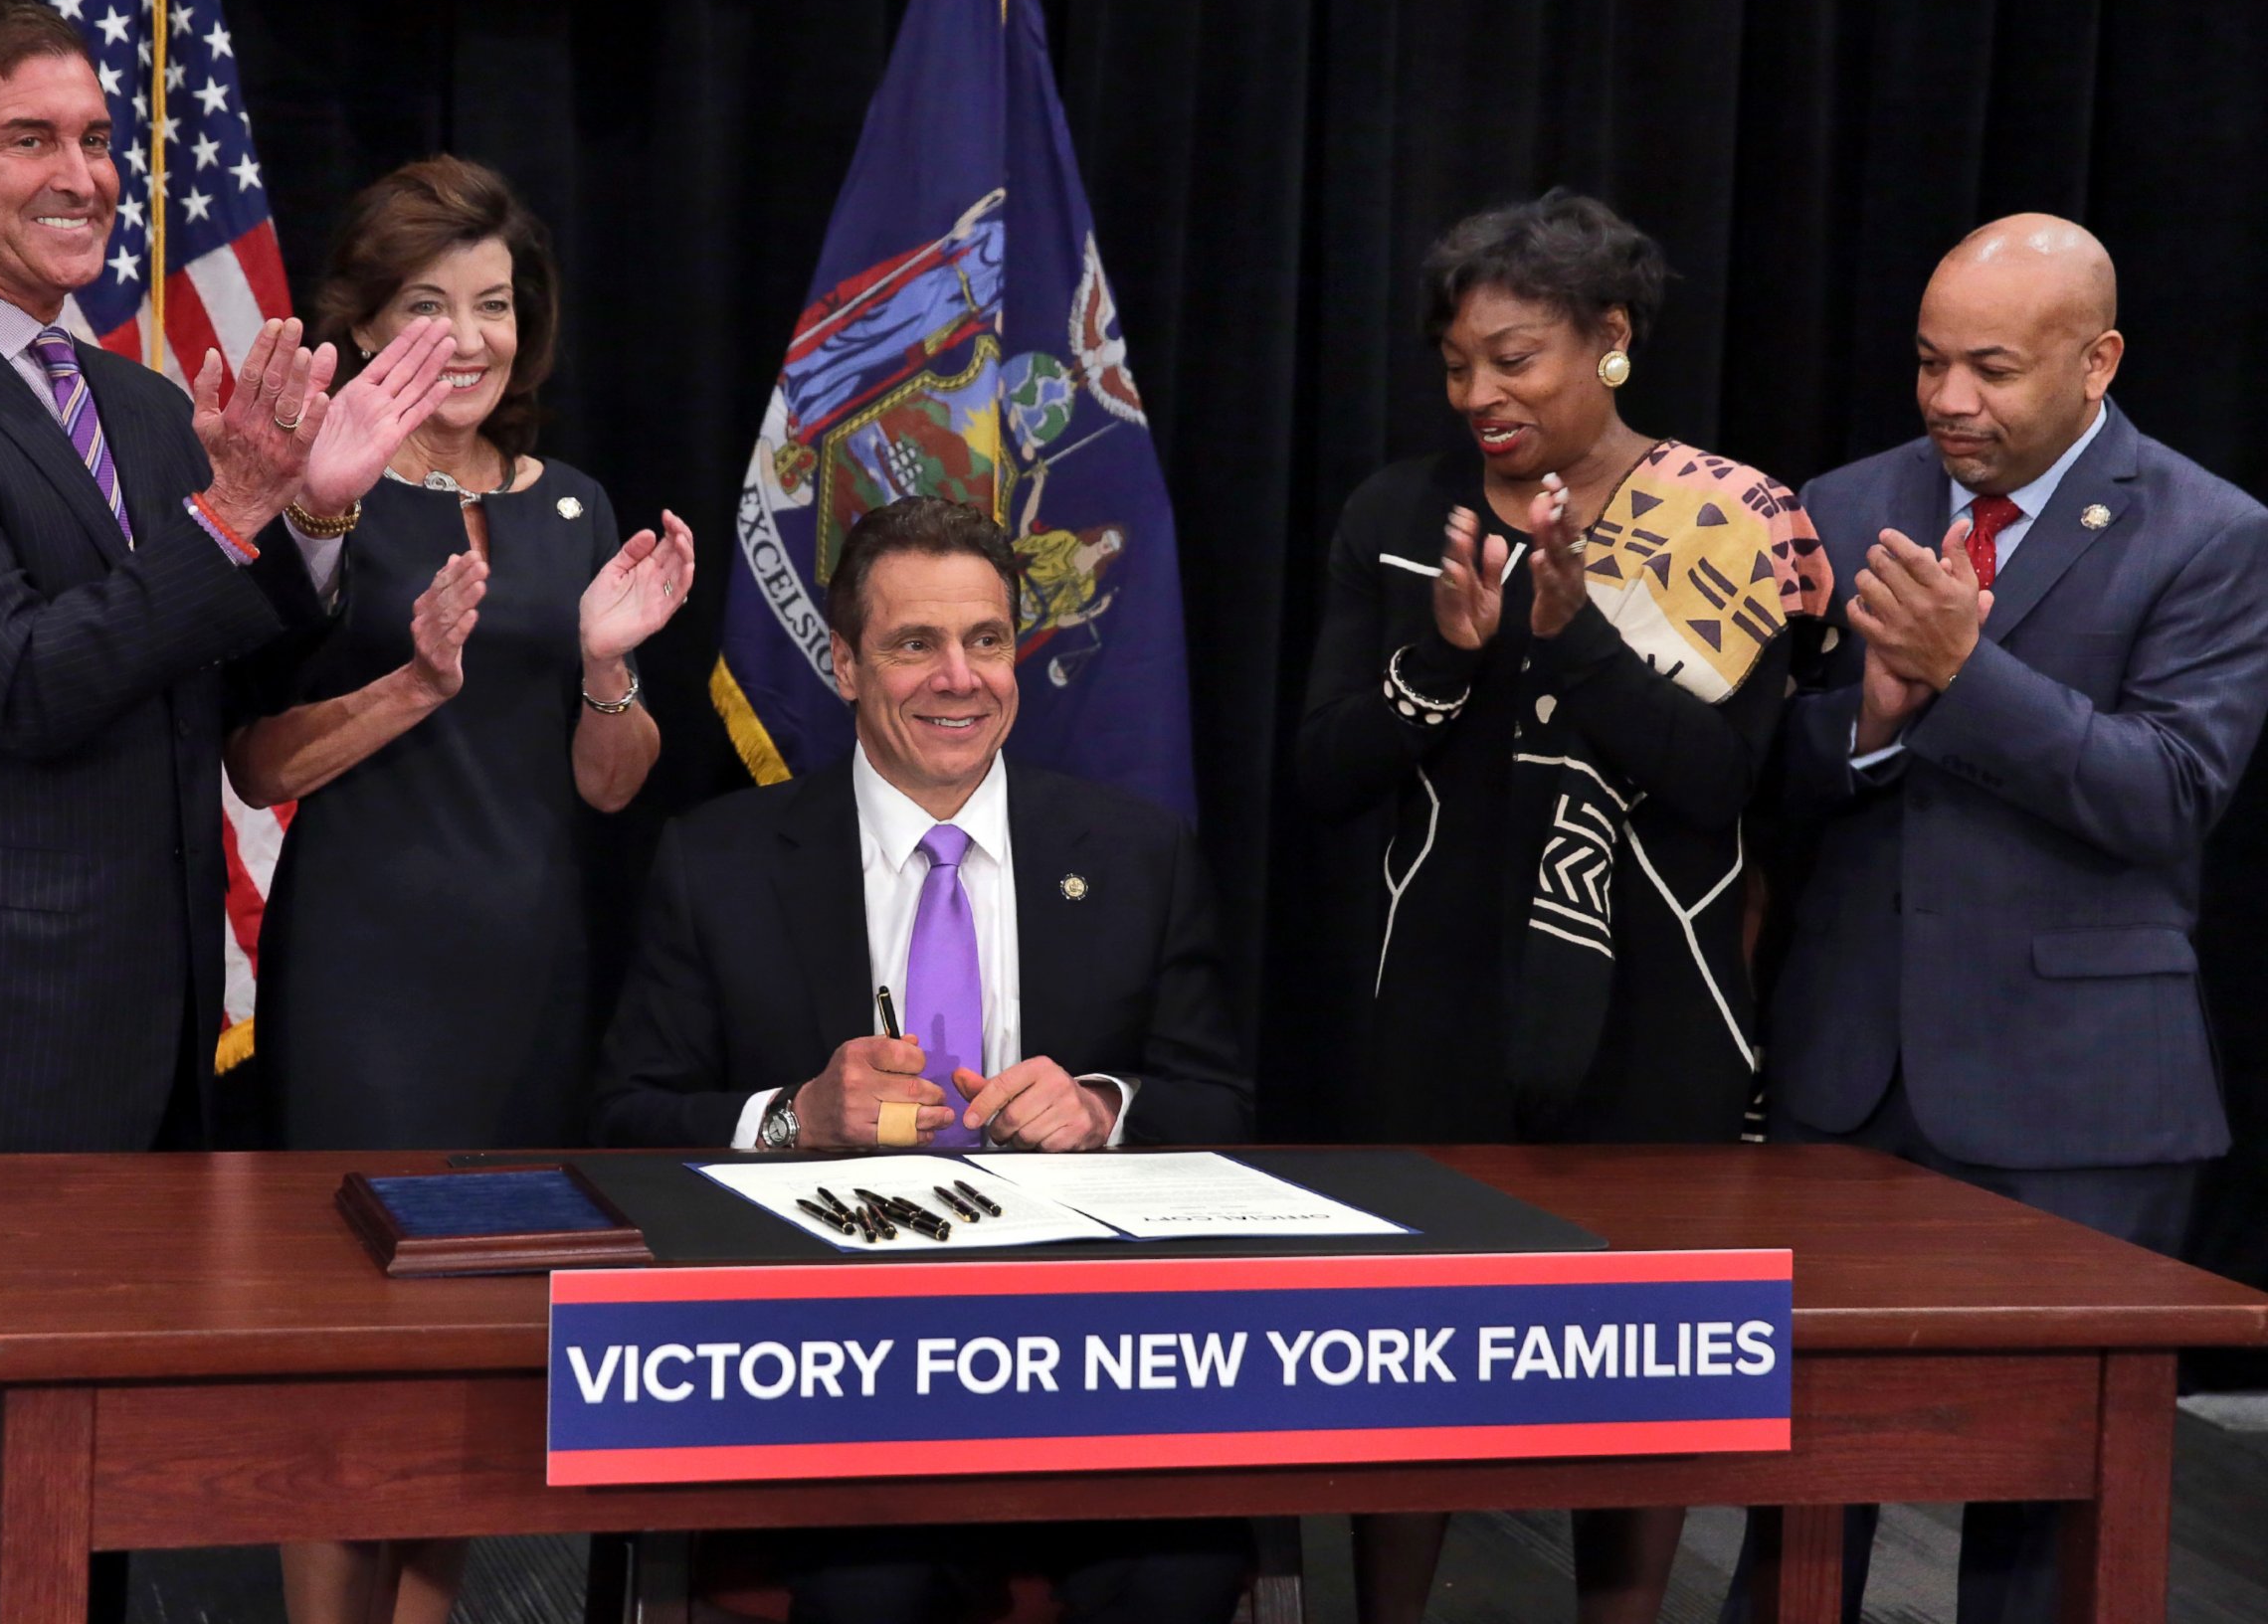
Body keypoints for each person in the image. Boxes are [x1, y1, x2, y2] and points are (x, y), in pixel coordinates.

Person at [0, 0, 452, 1624]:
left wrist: (315, 523)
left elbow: (204, 676)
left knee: (93, 1509)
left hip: (148, 1040)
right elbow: (21, 680)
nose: (82, 171)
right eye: (32, 138)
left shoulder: (146, 410)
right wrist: (233, 516)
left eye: (95, 138)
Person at [1723, 215, 2268, 1624]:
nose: (1949, 400)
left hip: (2076, 1095)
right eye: (1926, 363)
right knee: (1794, 1505)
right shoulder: (1843, 506)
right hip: (1849, 1074)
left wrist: (1970, 673)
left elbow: (2170, 792)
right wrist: (1869, 724)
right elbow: (1753, 783)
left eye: (1991, 368)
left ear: (2098, 364)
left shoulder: (2209, 533)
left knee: (2042, 1526)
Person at [1295, 191, 1828, 1624]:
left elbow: (1717, 784)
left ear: (1612, 342)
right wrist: (1447, 664)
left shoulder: (1735, 520)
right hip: (1443, 1011)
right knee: (1411, 1378)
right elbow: (1327, 770)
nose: (1481, 395)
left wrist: (1574, 639)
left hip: (1658, 1023)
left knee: (1637, 1378)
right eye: (1459, 364)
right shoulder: (1405, 515)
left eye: (1516, 357)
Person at [594, 495, 1252, 1623]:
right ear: (845, 663)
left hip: (1084, 1365)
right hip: (832, 1374)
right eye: (915, 644)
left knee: (1179, 1570)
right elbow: (624, 1122)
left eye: (986, 641)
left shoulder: (1138, 854)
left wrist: (1102, 1107)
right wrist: (796, 1117)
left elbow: (1221, 1102)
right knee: (871, 1589)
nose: (960, 678)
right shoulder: (721, 862)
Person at [221, 155, 694, 1624]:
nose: (474, 336)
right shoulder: (327, 504)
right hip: (366, 980)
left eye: (495, 303)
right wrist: (417, 684)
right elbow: (252, 759)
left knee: (486, 1350)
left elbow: (607, 787)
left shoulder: (575, 504)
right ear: (365, 324)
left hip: (535, 977)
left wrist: (610, 670)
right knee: (352, 1346)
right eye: (433, 304)